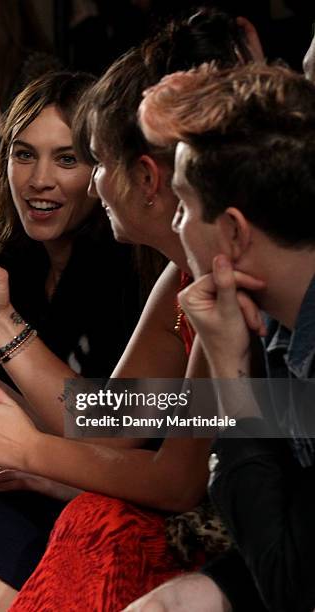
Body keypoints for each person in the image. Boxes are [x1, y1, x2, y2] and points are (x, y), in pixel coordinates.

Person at [0, 7, 264, 610]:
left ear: (150, 177)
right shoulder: (179, 280)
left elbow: (181, 479)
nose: (87, 182)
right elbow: (111, 418)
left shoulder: (213, 279)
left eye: (91, 161)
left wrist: (30, 451)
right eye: (22, 156)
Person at [125, 62, 315, 611]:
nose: (167, 212)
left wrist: (9, 343)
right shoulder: (259, 303)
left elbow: (112, 418)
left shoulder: (175, 286)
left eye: (85, 158)